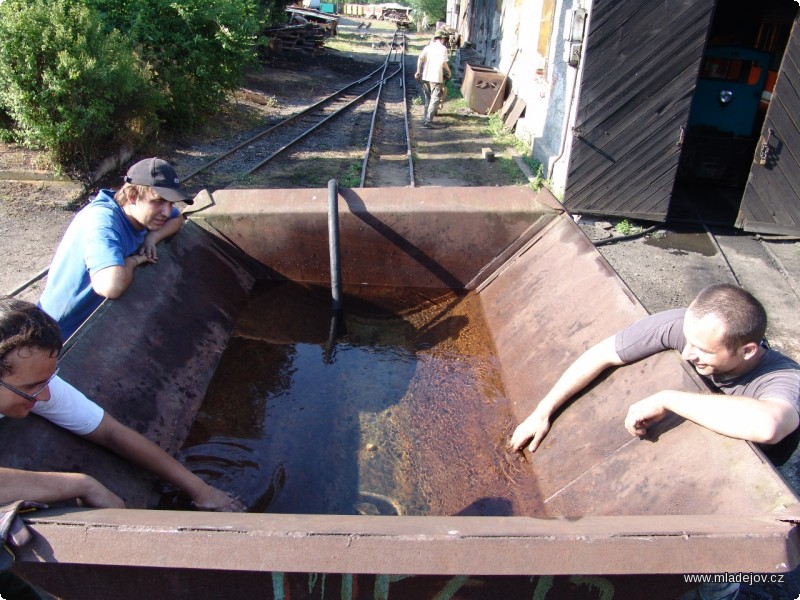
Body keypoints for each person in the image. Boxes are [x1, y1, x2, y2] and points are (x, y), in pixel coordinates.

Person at [510, 283, 800, 600]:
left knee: (722, 566)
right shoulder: (685, 328)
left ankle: (721, 590)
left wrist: (669, 399)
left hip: (751, 482)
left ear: (747, 351)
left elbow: (769, 425)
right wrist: (543, 411)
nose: (688, 353)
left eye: (703, 350)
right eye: (688, 339)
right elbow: (601, 355)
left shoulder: (783, 379)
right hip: (688, 470)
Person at [0, 296, 243, 511]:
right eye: (30, 388)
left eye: (47, 381)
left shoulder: (37, 384)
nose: (44, 397)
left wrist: (201, 491)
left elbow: (111, 432)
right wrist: (84, 485)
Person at [38, 157, 193, 341]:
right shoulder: (102, 221)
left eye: (171, 203)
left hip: (94, 327)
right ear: (132, 196)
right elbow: (110, 286)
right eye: (159, 202)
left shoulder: (141, 215)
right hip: (60, 335)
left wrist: (153, 238)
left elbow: (177, 219)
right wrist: (133, 261)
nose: (167, 211)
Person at [414, 31, 452, 128]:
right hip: (435, 77)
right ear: (442, 39)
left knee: (428, 98)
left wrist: (418, 71)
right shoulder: (442, 48)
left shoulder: (428, 47)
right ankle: (428, 121)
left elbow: (420, 59)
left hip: (425, 76)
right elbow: (443, 62)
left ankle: (425, 118)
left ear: (435, 38)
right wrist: (449, 71)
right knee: (435, 98)